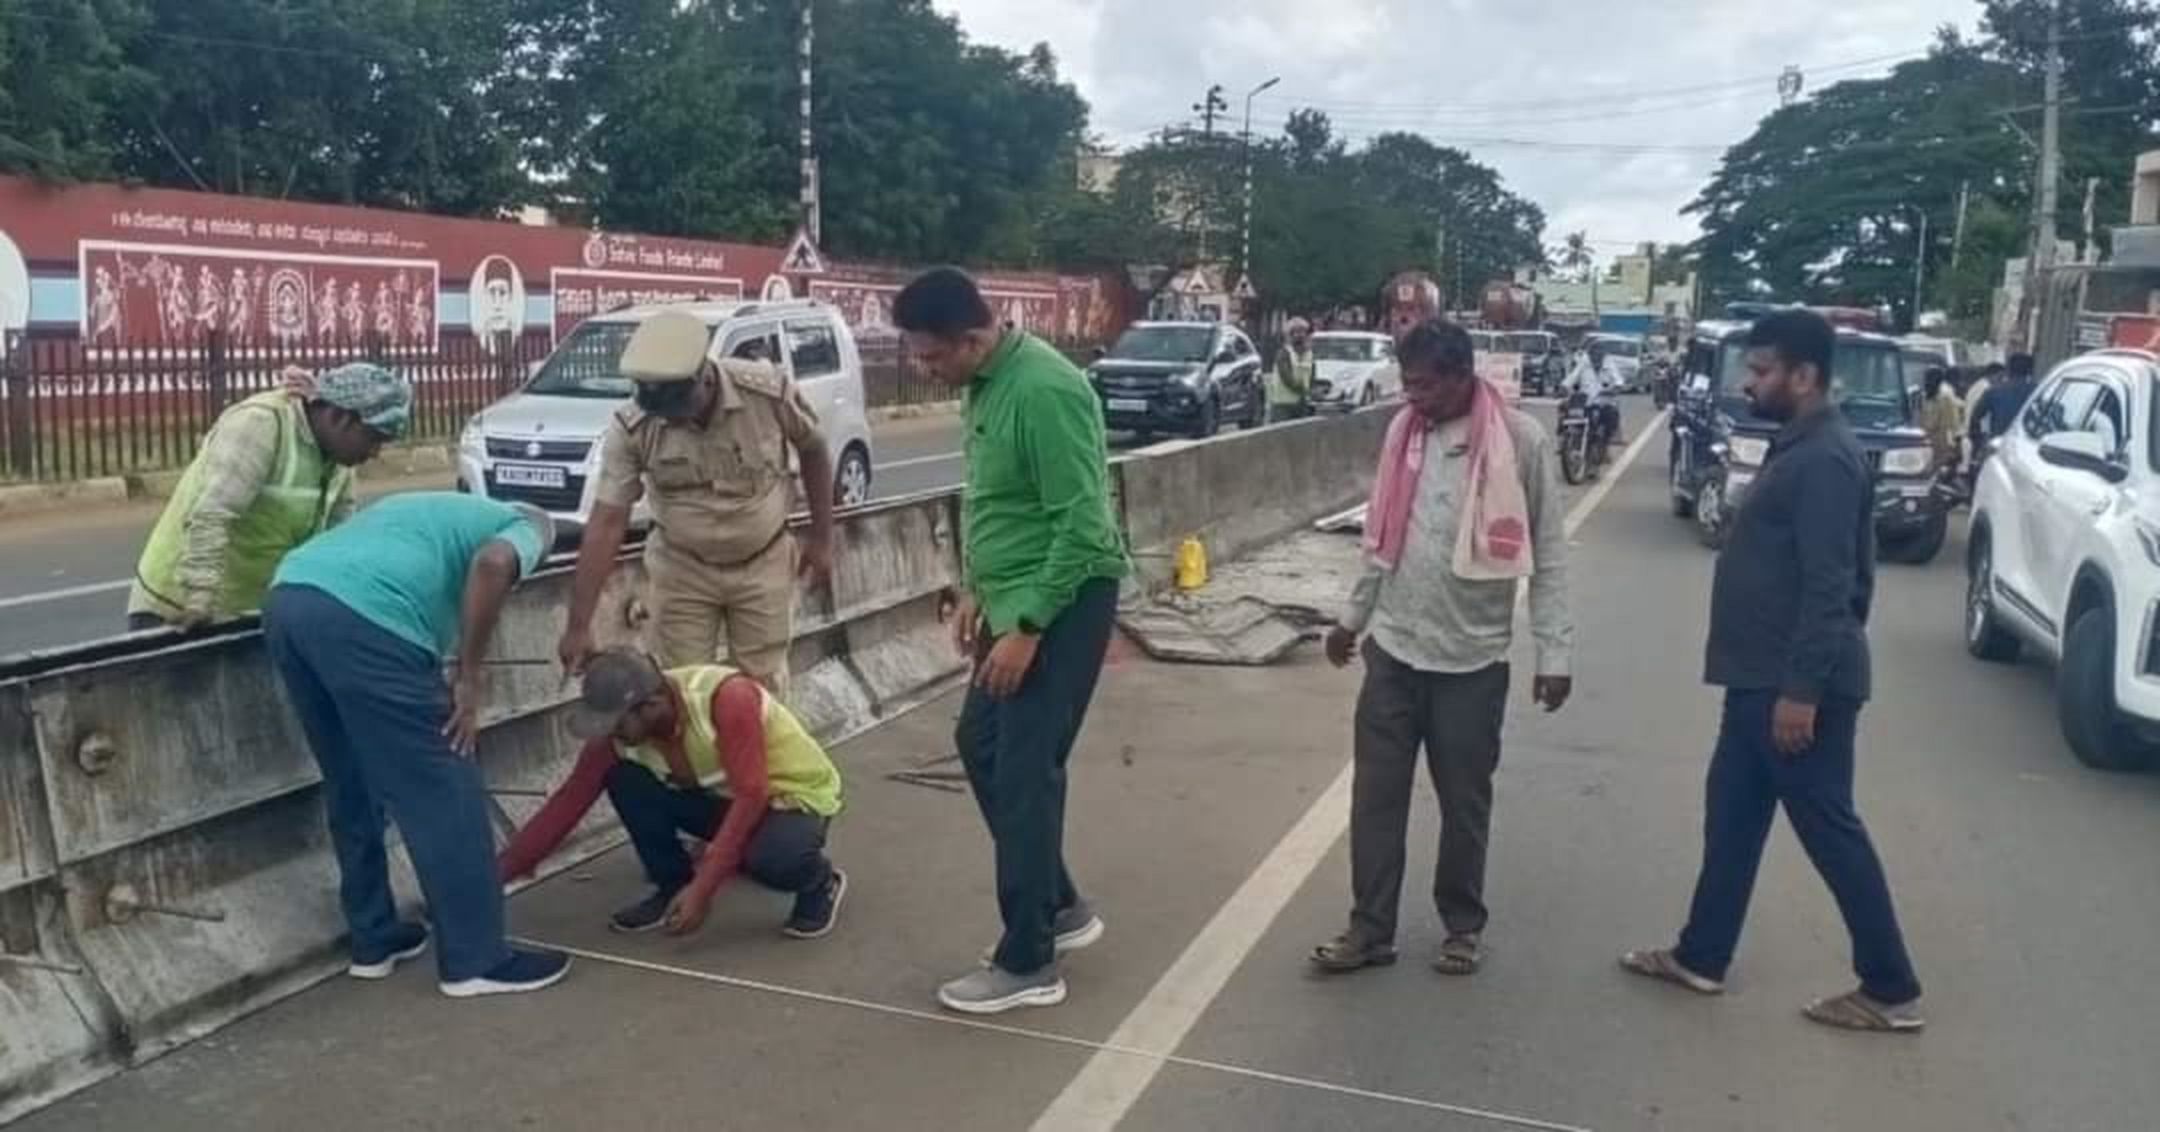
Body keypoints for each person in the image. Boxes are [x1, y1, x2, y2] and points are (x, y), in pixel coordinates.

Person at [1622, 309, 1924, 1034]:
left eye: (1761, 371)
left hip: (1791, 689)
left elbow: (1835, 586)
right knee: (1732, 818)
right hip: (1756, 680)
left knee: (1828, 829)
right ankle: (1703, 955)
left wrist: (1802, 691)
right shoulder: (1800, 446)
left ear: (1804, 376)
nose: (1749, 382)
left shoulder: (1824, 460)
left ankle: (1891, 988)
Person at [891, 267, 1127, 1016]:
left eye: (932, 357)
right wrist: (976, 590)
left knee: (1025, 773)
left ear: (973, 337)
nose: (925, 371)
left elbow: (1083, 525)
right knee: (981, 745)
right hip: (1010, 596)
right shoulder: (984, 385)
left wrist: (1026, 628)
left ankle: (1027, 960)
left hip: (1061, 602)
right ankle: (1057, 902)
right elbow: (994, 500)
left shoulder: (1045, 391)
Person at [1310, 319, 1574, 977]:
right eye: (1407, 383)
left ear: (1462, 377)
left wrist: (1554, 652)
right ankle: (1370, 930)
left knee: (1463, 804)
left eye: (1425, 385)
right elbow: (1382, 536)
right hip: (1394, 653)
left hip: (1472, 661)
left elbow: (1551, 555)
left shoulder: (1520, 441)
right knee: (1374, 800)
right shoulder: (1404, 432)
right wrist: (1352, 620)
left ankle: (1462, 925)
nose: (1413, 397)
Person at [263, 493, 570, 998]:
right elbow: (494, 564)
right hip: (370, 618)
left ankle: (374, 939)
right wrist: (470, 677)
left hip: (289, 597)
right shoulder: (528, 527)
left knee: (350, 777)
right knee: (445, 782)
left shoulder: (428, 511)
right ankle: (477, 959)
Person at [557, 309, 836, 700]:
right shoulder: (634, 426)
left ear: (704, 379)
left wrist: (822, 540)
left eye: (679, 408)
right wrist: (579, 624)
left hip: (763, 560)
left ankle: (757, 762)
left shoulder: (765, 392)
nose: (673, 420)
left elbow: (815, 448)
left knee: (763, 691)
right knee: (681, 689)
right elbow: (607, 522)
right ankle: (695, 763)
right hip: (682, 567)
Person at [497, 649, 847, 938]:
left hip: (790, 797)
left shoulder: (726, 699)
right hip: (726, 798)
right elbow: (565, 806)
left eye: (617, 724)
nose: (610, 734)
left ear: (653, 704)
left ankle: (820, 883)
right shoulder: (617, 739)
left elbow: (751, 794)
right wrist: (494, 877)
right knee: (624, 778)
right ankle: (672, 885)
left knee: (775, 861)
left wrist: (705, 889)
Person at [129, 362, 410, 631]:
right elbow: (212, 513)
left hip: (250, 610)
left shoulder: (338, 460)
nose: (375, 453)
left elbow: (335, 539)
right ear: (339, 417)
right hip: (178, 607)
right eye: (373, 439)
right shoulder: (261, 424)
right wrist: (199, 596)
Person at [1968, 352, 2038, 453]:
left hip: (1999, 446)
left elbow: (1976, 416)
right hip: (2028, 448)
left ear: (2008, 370)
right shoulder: (2038, 391)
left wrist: (1981, 439)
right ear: (2031, 371)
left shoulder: (1994, 391)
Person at [1562, 340, 1623, 446]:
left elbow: (1618, 380)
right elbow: (1572, 377)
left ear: (1603, 355)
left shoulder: (1609, 363)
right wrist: (1564, 387)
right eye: (1593, 354)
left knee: (1611, 415)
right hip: (1585, 401)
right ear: (1589, 354)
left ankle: (1605, 443)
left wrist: (1615, 388)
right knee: (1565, 410)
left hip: (1603, 402)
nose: (1596, 357)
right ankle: (1565, 441)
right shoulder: (1584, 362)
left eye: (1599, 354)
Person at [1918, 366, 1966, 472]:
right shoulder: (1941, 397)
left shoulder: (1926, 397)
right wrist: (1956, 447)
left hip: (1932, 446)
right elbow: (1953, 425)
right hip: (1937, 447)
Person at [1267, 318, 1315, 423]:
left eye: (1303, 332)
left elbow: (1312, 376)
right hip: (1282, 404)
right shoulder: (1284, 353)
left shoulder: (1309, 354)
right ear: (1290, 335)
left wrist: (1312, 391)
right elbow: (1287, 378)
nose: (1300, 335)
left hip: (1301, 403)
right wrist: (1303, 390)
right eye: (1296, 332)